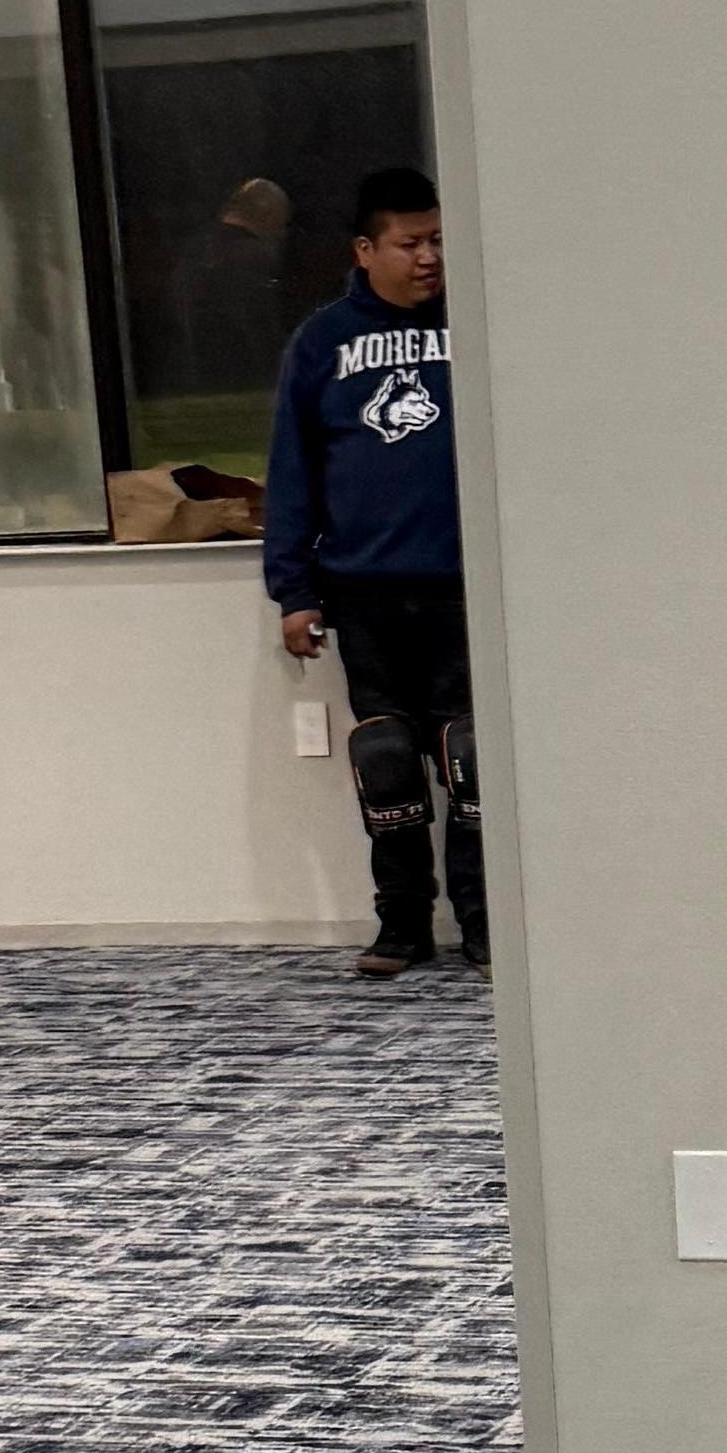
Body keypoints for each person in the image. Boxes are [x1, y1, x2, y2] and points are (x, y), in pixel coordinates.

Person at [264, 167, 480, 980]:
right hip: (364, 588)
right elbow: (293, 474)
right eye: (410, 243)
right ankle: (402, 926)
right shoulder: (323, 342)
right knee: (387, 761)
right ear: (365, 249)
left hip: (465, 586)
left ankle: (486, 926)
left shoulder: (480, 324)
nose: (429, 258)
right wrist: (294, 592)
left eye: (439, 241)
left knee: (472, 762)